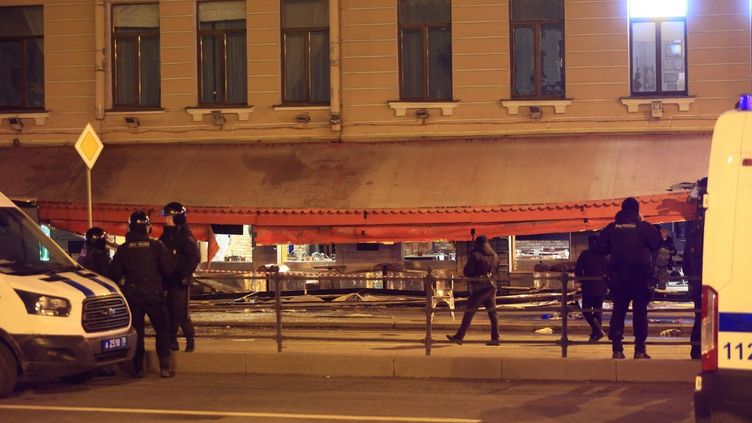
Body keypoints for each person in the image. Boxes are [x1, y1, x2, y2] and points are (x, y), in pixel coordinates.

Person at [110, 211, 176, 378]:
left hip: (133, 296)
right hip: (154, 294)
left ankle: (138, 367)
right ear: (148, 228)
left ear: (130, 228)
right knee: (162, 330)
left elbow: (114, 274)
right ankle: (165, 366)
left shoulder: (124, 249)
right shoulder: (157, 247)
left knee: (137, 332)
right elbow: (170, 270)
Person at [596, 197, 662, 359]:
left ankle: (617, 349)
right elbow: (657, 244)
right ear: (637, 211)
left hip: (618, 279)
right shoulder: (643, 227)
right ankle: (639, 349)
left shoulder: (612, 228)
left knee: (618, 312)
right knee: (640, 314)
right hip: (640, 278)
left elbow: (600, 248)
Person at [160, 202, 200, 353]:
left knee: (181, 312)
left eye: (169, 217)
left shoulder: (185, 236)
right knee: (168, 312)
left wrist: (184, 274)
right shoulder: (166, 235)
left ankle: (190, 341)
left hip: (180, 280)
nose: (166, 220)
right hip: (168, 280)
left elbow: (194, 257)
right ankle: (172, 341)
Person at [446, 235, 500, 346]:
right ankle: (495, 338)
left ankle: (459, 337)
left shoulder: (475, 255)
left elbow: (467, 271)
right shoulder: (495, 256)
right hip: (491, 287)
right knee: (493, 314)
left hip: (479, 289)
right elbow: (496, 271)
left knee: (469, 313)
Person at [684, 177, 707, 360]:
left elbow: (685, 262)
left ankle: (696, 350)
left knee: (700, 316)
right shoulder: (713, 233)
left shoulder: (693, 235)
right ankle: (702, 350)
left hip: (697, 281)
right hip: (709, 279)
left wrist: (691, 278)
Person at [574, 236, 609, 343]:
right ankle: (595, 334)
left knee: (586, 309)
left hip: (589, 285)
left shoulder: (586, 254)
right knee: (598, 309)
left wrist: (580, 281)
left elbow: (578, 269)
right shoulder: (606, 255)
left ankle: (598, 331)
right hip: (603, 286)